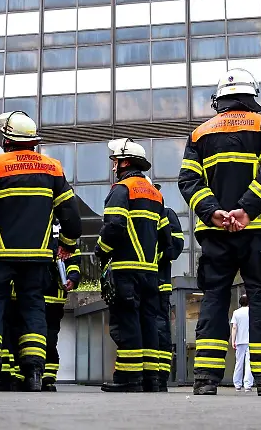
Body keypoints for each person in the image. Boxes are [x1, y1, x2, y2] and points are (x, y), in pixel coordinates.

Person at [178, 68, 261, 396]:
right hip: (255, 229)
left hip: (215, 234)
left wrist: (213, 212)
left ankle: (205, 379)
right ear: (250, 97)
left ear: (221, 100)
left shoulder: (200, 134)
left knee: (214, 298)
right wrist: (246, 209)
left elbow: (188, 181)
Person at [0, 111, 81, 392]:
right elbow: (71, 215)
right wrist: (67, 242)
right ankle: (34, 377)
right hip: (37, 259)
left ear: (7, 139)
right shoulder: (53, 168)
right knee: (33, 310)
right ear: (33, 142)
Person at [97, 140, 174, 393]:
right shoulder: (156, 194)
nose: (113, 167)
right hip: (151, 274)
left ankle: (128, 379)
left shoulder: (122, 189)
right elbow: (167, 240)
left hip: (125, 271)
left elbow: (115, 225)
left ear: (125, 162)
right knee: (148, 323)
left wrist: (101, 251)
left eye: (115, 162)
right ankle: (152, 379)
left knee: (127, 321)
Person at [42, 228, 81, 392]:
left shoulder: (67, 239)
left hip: (53, 300)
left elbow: (74, 264)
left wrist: (72, 278)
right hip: (34, 298)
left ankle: (48, 377)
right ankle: (31, 375)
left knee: (50, 340)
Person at [154, 186, 185, 391]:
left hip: (159, 282)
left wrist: (158, 257)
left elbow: (177, 244)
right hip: (137, 281)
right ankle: (143, 374)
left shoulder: (166, 214)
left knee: (160, 328)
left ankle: (161, 375)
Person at [231, 295, 254, 391]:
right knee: (249, 363)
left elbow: (234, 327)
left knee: (239, 363)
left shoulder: (236, 312)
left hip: (239, 341)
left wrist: (233, 340)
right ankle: (248, 384)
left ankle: (237, 384)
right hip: (250, 340)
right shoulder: (252, 312)